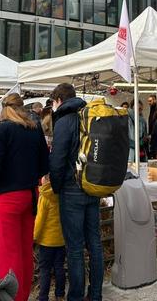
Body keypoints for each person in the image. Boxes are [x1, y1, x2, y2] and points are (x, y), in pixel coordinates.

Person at [0, 93, 49, 301]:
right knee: (26, 250)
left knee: (9, 255)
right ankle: (23, 295)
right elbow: (45, 164)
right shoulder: (34, 130)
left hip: (8, 197)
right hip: (30, 195)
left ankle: (11, 297)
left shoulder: (1, 130)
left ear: (3, 110)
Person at [48, 83, 102, 301]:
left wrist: (56, 186)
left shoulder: (65, 121)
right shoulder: (89, 117)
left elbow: (57, 159)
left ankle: (76, 296)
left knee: (75, 248)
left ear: (59, 100)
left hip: (72, 189)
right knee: (95, 243)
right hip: (94, 186)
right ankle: (96, 294)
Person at [34, 178, 66, 301]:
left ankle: (43, 296)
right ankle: (60, 294)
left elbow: (40, 221)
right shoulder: (61, 195)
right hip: (60, 240)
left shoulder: (44, 197)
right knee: (59, 267)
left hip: (46, 242)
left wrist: (34, 237)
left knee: (45, 270)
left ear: (45, 180)